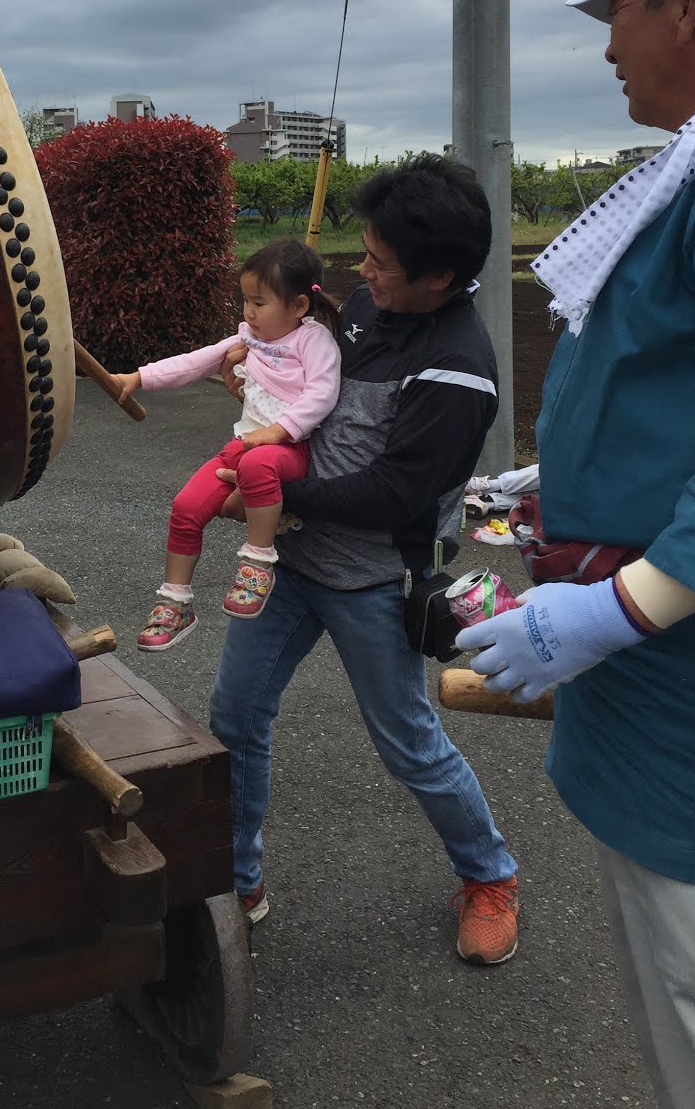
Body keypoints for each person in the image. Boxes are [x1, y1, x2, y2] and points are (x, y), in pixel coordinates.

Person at [458, 0, 695, 1106]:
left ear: (683, 2)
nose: (610, 46)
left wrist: (611, 607)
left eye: (616, 10)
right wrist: (561, 486)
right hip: (667, 693)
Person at [209, 155, 520, 962]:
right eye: (366, 252)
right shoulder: (364, 313)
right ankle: (238, 882)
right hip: (290, 563)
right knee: (234, 716)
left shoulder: (459, 369)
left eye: (380, 263)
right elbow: (315, 395)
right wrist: (264, 395)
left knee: (407, 742)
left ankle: (489, 875)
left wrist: (270, 497)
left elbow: (396, 499)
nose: (362, 272)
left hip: (373, 579)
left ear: (440, 275)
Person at [114, 240, 342, 651]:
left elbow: (322, 395)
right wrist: (139, 378)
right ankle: (175, 601)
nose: (249, 312)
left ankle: (257, 562)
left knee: (257, 467)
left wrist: (277, 432)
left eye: (259, 302)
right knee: (186, 506)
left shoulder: (315, 342)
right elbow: (196, 361)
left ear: (298, 307)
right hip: (245, 443)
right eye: (245, 301)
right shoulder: (248, 337)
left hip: (290, 449)